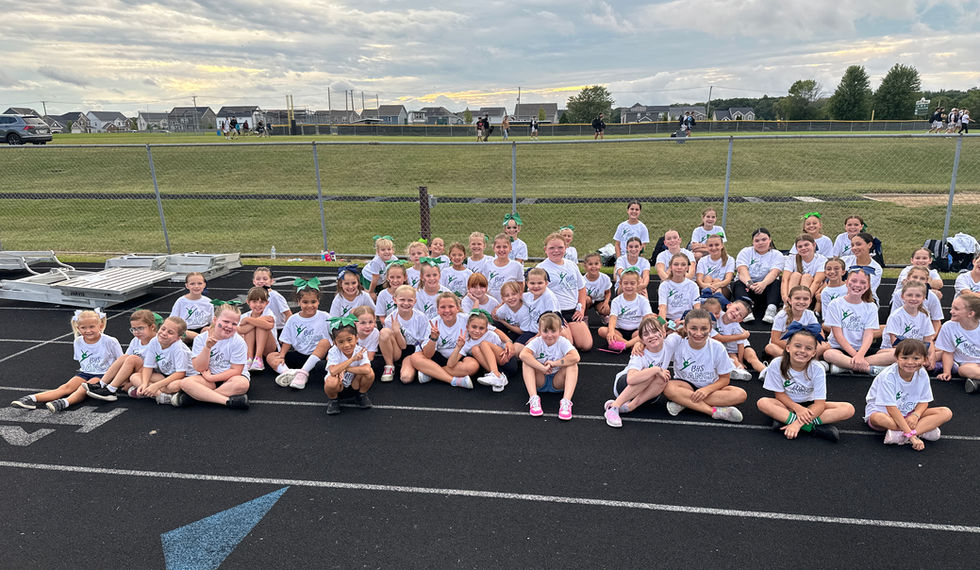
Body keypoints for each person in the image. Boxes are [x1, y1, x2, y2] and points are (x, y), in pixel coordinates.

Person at [757, 324, 854, 442]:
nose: (802, 351)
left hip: (811, 407)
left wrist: (797, 424)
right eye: (797, 346)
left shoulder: (817, 368)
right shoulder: (777, 363)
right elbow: (779, 395)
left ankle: (787, 421)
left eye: (808, 348)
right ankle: (812, 428)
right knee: (763, 403)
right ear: (788, 348)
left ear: (814, 353)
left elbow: (820, 404)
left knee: (848, 409)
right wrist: (798, 408)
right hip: (787, 405)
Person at [11, 309, 122, 412]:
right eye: (83, 328)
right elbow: (82, 360)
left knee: (84, 388)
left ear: (100, 325)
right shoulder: (78, 341)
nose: (88, 331)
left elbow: (121, 360)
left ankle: (65, 402)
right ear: (78, 328)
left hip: (104, 375)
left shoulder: (110, 341)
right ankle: (32, 398)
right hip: (85, 372)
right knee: (65, 387)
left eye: (92, 327)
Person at [865, 339, 953, 450]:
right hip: (885, 412)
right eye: (904, 358)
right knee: (878, 418)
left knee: (945, 412)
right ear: (896, 358)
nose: (910, 362)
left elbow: (924, 401)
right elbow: (891, 408)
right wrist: (912, 437)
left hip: (908, 412)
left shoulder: (922, 373)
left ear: (925, 359)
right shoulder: (887, 377)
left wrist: (915, 415)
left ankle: (901, 435)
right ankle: (919, 431)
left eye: (916, 358)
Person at [662, 309, 746, 422]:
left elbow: (725, 379)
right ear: (685, 328)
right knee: (668, 387)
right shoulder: (677, 341)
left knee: (740, 394)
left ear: (710, 329)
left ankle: (684, 402)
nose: (698, 333)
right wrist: (640, 344)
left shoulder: (717, 347)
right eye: (693, 328)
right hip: (685, 385)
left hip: (711, 389)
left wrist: (706, 390)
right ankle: (714, 412)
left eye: (704, 329)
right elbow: (654, 344)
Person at [172, 302, 250, 409]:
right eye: (226, 322)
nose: (229, 326)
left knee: (242, 384)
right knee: (185, 383)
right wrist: (207, 348)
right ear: (215, 320)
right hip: (207, 379)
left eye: (234, 324)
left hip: (231, 378)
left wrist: (212, 378)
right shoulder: (200, 339)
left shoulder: (238, 342)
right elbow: (199, 368)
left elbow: (236, 370)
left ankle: (197, 397)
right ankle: (227, 401)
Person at [822, 267, 893, 375]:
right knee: (828, 354)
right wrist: (856, 355)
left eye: (863, 282)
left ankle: (846, 366)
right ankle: (868, 368)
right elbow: (838, 335)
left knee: (897, 354)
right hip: (840, 349)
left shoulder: (871, 306)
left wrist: (860, 355)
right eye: (854, 281)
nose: (857, 285)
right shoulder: (835, 304)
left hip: (862, 350)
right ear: (846, 282)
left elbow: (868, 335)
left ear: (868, 286)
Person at [604, 315, 671, 428]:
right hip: (624, 386)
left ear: (663, 333)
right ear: (642, 339)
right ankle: (614, 407)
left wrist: (674, 323)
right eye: (646, 334)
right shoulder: (639, 353)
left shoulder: (670, 343)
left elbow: (686, 328)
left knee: (664, 376)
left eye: (655, 331)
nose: (651, 336)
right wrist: (655, 369)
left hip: (648, 392)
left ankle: (629, 407)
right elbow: (631, 379)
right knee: (650, 373)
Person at [405, 292, 479, 388]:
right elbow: (428, 354)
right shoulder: (433, 323)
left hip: (459, 357)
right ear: (438, 310)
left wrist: (503, 340)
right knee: (415, 357)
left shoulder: (467, 319)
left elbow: (488, 328)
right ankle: (453, 380)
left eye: (451, 306)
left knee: (473, 366)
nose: (447, 310)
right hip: (439, 357)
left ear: (457, 308)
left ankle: (431, 374)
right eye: (443, 307)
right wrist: (433, 338)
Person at [84, 309, 159, 401]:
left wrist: (130, 383)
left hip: (152, 373)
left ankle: (111, 389)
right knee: (125, 357)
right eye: (134, 329)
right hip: (138, 371)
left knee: (132, 358)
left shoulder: (158, 342)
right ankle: (101, 384)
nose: (136, 332)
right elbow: (125, 360)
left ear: (152, 327)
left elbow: (154, 366)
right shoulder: (136, 340)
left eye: (140, 328)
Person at [269, 279, 331, 389]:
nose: (310, 305)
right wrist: (282, 356)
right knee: (271, 356)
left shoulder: (325, 316)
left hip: (318, 357)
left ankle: (302, 373)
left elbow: (336, 335)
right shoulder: (293, 319)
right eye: (305, 302)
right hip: (300, 355)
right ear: (299, 302)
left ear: (318, 301)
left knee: (325, 342)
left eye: (313, 302)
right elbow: (287, 340)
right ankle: (289, 373)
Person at [537, 233, 593, 351]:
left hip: (571, 311)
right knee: (568, 345)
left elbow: (581, 288)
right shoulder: (541, 268)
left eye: (560, 247)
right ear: (545, 249)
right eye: (552, 248)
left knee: (586, 345)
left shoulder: (571, 265)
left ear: (566, 248)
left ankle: (568, 332)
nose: (556, 251)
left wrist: (581, 309)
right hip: (553, 313)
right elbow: (536, 295)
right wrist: (554, 315)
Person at [519, 312, 580, 420]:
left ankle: (566, 402)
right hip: (540, 380)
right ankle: (534, 398)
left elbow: (576, 357)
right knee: (526, 362)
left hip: (557, 381)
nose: (549, 335)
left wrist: (555, 363)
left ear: (560, 331)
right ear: (539, 331)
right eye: (545, 331)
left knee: (572, 365)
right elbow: (523, 354)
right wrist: (541, 368)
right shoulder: (537, 341)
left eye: (553, 331)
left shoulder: (563, 341)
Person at [131, 316, 192, 405]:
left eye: (170, 332)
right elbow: (148, 366)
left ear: (178, 337)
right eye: (163, 329)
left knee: (173, 386)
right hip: (165, 375)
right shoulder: (154, 341)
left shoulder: (179, 348)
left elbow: (180, 373)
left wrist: (156, 385)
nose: (164, 333)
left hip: (184, 377)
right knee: (134, 377)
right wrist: (144, 383)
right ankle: (161, 395)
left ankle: (153, 392)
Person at [322, 316, 374, 414]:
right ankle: (334, 400)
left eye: (349, 340)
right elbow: (333, 371)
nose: (346, 345)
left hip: (355, 385)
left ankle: (361, 395)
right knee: (331, 381)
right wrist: (353, 359)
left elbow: (367, 369)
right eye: (341, 342)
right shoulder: (333, 351)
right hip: (339, 387)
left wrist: (345, 369)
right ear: (335, 343)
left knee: (370, 373)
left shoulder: (360, 350)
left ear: (356, 338)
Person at [379, 285, 429, 383]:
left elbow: (424, 341)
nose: (406, 303)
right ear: (395, 300)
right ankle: (389, 366)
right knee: (384, 332)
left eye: (410, 300)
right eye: (402, 300)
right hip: (398, 350)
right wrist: (396, 332)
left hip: (414, 351)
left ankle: (417, 367)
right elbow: (402, 346)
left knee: (406, 378)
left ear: (415, 301)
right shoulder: (390, 319)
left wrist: (420, 358)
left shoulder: (421, 317)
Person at [881, 281, 937, 367]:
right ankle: (871, 366)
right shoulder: (896, 316)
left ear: (923, 298)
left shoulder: (925, 315)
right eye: (909, 295)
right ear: (902, 296)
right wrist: (916, 356)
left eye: (918, 296)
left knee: (941, 352)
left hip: (917, 352)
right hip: (895, 351)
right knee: (897, 355)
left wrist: (931, 357)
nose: (913, 298)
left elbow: (928, 340)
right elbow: (895, 343)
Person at [733, 228, 783, 323]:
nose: (760, 243)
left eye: (764, 239)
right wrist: (750, 284)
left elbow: (774, 272)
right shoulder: (745, 252)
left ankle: (771, 309)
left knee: (776, 283)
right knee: (739, 283)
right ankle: (745, 309)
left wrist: (763, 284)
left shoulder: (777, 254)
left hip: (766, 288)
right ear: (753, 242)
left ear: (770, 240)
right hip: (748, 287)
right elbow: (742, 270)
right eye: (757, 241)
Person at [765, 285, 826, 361]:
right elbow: (775, 340)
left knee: (825, 345)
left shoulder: (810, 314)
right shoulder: (782, 315)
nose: (801, 302)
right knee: (770, 348)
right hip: (786, 347)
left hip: (804, 346)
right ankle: (796, 359)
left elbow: (820, 335)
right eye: (797, 298)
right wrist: (795, 349)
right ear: (789, 300)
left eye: (805, 299)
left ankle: (806, 360)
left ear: (810, 301)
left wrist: (808, 347)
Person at [598, 268, 652, 351]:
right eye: (625, 283)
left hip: (636, 330)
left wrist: (645, 331)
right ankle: (632, 345)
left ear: (638, 284)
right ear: (620, 283)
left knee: (647, 332)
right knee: (602, 330)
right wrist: (611, 331)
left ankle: (625, 345)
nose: (629, 286)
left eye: (632, 283)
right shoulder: (616, 301)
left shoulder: (643, 300)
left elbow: (647, 318)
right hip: (619, 331)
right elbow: (613, 318)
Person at [936, 293, 980, 392]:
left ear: (970, 314)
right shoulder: (948, 327)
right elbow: (948, 352)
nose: (951, 311)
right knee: (963, 370)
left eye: (956, 309)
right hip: (968, 365)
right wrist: (947, 372)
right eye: (952, 307)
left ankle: (977, 384)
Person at [238, 287, 277, 372]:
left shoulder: (268, 313)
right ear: (248, 302)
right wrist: (256, 321)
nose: (258, 305)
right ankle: (249, 358)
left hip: (269, 349)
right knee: (255, 325)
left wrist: (248, 320)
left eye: (262, 302)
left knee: (261, 326)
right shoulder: (244, 316)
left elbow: (269, 326)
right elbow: (240, 330)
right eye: (254, 301)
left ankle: (258, 358)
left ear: (267, 303)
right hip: (252, 348)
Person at [781, 235, 826, 306]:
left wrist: (806, 299)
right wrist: (785, 296)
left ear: (814, 245)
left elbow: (816, 282)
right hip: (793, 287)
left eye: (806, 245)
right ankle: (789, 303)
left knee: (806, 277)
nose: (803, 248)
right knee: (795, 275)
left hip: (811, 292)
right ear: (796, 249)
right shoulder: (791, 259)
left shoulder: (821, 260)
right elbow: (785, 280)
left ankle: (802, 303)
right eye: (800, 247)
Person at [840, 232, 883, 303]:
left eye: (858, 244)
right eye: (852, 245)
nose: (854, 248)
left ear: (869, 245)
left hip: (866, 299)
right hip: (842, 297)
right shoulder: (844, 261)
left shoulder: (876, 269)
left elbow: (864, 288)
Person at [658, 253, 701, 323]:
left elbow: (697, 308)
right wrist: (663, 324)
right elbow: (662, 308)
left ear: (687, 268)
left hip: (688, 321)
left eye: (683, 265)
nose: (679, 267)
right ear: (671, 267)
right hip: (669, 321)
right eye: (676, 264)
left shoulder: (693, 285)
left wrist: (686, 322)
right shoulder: (664, 285)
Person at [170, 272, 212, 341]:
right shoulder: (181, 301)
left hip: (202, 330)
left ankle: (200, 339)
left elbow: (212, 321)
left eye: (199, 283)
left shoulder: (208, 302)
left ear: (204, 285)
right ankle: (199, 339)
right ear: (187, 285)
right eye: (192, 284)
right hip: (186, 332)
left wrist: (208, 328)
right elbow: (172, 320)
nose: (196, 286)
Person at [251, 267, 291, 331]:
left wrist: (286, 331)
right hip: (263, 328)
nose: (261, 281)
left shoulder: (275, 296)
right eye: (258, 279)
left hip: (278, 329)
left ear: (271, 281)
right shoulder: (254, 296)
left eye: (265, 279)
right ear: (254, 281)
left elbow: (288, 314)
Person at [487, 233, 524, 301]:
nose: (501, 250)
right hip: (491, 303)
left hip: (509, 303)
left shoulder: (516, 266)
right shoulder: (487, 264)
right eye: (498, 247)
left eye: (505, 247)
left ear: (510, 248)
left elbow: (520, 284)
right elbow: (484, 285)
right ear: (493, 248)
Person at [696, 234, 735, 299]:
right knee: (707, 278)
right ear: (707, 247)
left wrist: (716, 285)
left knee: (717, 280)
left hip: (723, 289)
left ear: (722, 245)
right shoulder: (702, 260)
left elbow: (728, 280)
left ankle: (710, 300)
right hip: (706, 286)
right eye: (710, 245)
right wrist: (706, 285)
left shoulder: (730, 260)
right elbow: (699, 279)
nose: (714, 248)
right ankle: (713, 300)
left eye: (717, 245)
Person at [583, 252, 612, 323]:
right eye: (590, 264)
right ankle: (584, 318)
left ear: (600, 265)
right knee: (586, 299)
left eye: (596, 264)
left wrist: (606, 303)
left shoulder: (605, 278)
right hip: (588, 300)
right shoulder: (582, 280)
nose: (593, 266)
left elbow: (608, 292)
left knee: (606, 310)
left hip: (599, 300)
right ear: (585, 266)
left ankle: (603, 315)